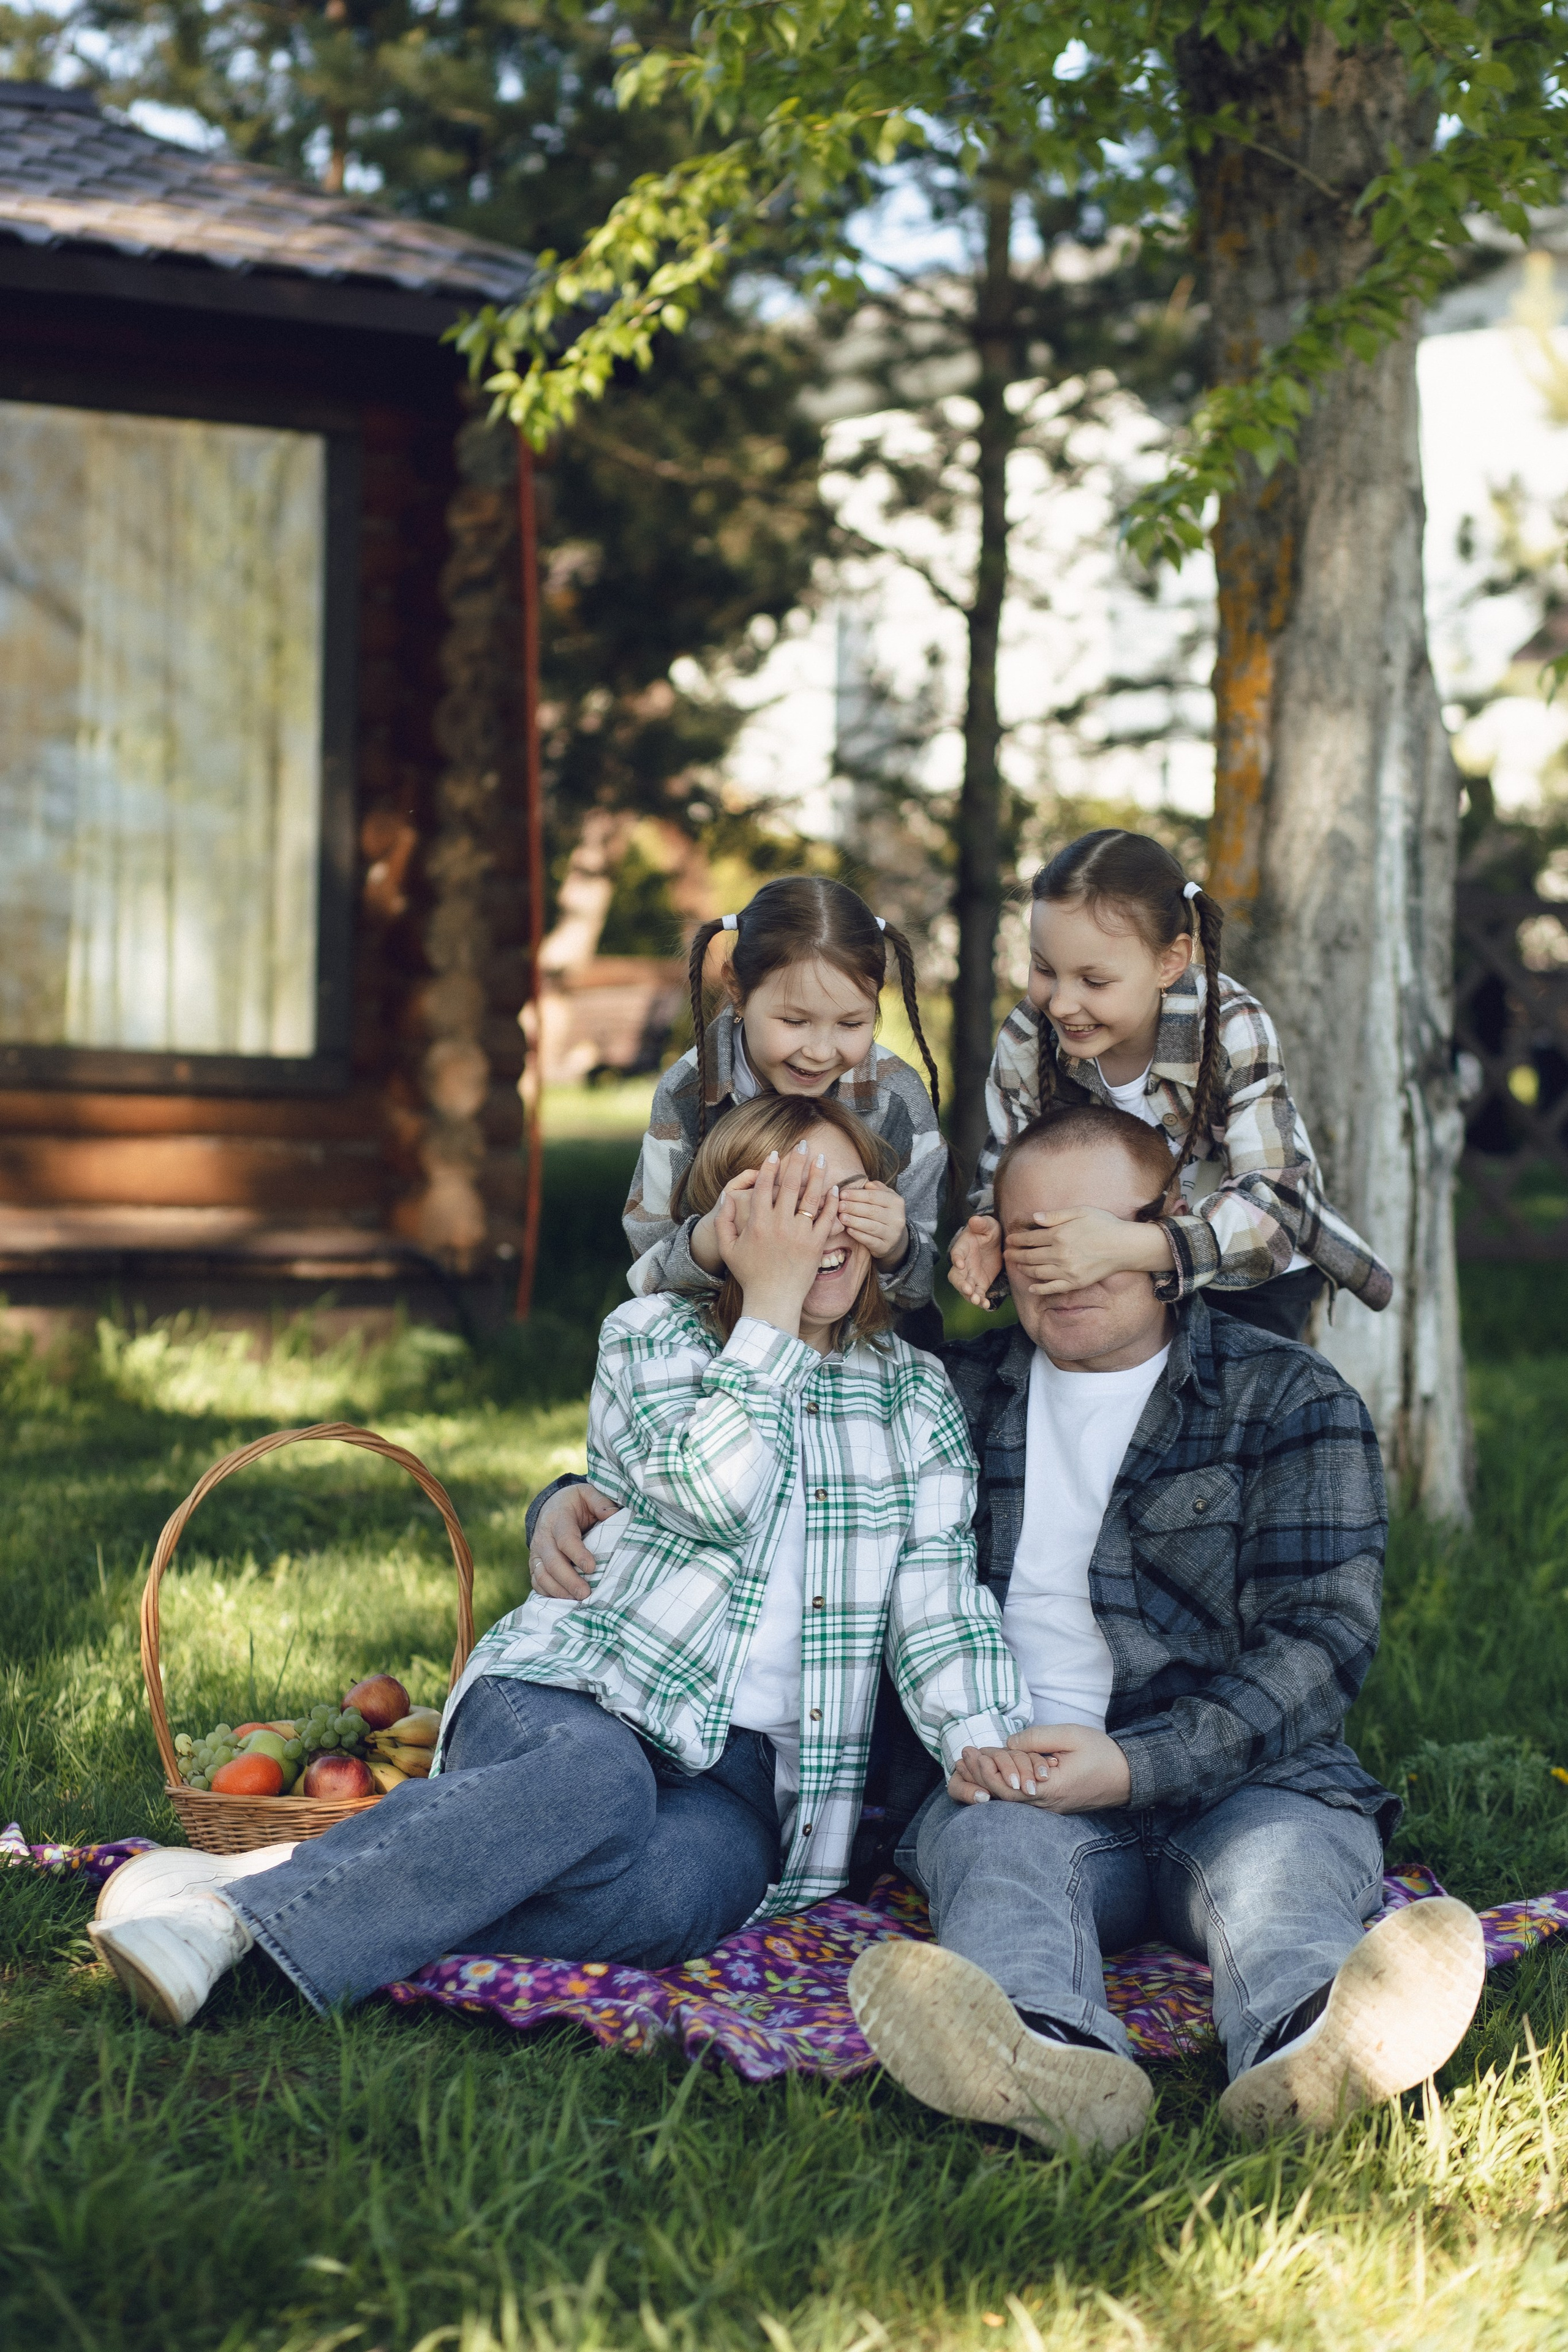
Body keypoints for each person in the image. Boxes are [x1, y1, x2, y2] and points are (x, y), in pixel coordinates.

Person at [89, 1098, 1027, 2031]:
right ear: (729, 1227)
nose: (819, 1227)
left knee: (674, 1902)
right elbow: (713, 1495)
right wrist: (772, 1314)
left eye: (847, 1196)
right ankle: (229, 1924)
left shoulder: (915, 1396)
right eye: (787, 1201)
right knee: (598, 1785)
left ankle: (300, 1878)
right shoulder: (653, 1339)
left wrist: (980, 1734)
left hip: (741, 1781)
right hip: (580, 1691)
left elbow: (938, 1602)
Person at [848, 1104, 1483, 2152]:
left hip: (1249, 1781)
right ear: (995, 1250)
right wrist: (566, 1502)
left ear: (1168, 1231)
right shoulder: (948, 1397)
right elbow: (786, 1493)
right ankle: (1044, 2059)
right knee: (998, 1870)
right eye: (1031, 1236)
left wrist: (1137, 1764)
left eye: (1094, 1232)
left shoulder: (1286, 1397)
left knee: (1283, 1883)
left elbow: (1321, 1644)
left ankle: (1313, 2043)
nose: (1062, 1266)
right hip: (1023, 1785)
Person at [948, 829, 1393, 1343]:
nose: (1063, 1004)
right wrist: (990, 1230)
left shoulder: (1229, 1027)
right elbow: (1004, 1171)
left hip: (1248, 1272)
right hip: (1109, 1267)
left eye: (1094, 982)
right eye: (1045, 969)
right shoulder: (1028, 1039)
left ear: (1170, 962)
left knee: (1224, 1404)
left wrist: (1131, 1246)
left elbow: (1272, 1219)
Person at [624, 875, 948, 1342]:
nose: (820, 1051)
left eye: (852, 1023)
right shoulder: (685, 1093)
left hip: (864, 1364)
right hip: (723, 1353)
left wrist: (897, 1246)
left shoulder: (897, 1100)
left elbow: (918, 1288)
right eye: (795, 1021)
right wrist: (711, 1238)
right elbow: (648, 1274)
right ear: (736, 987)